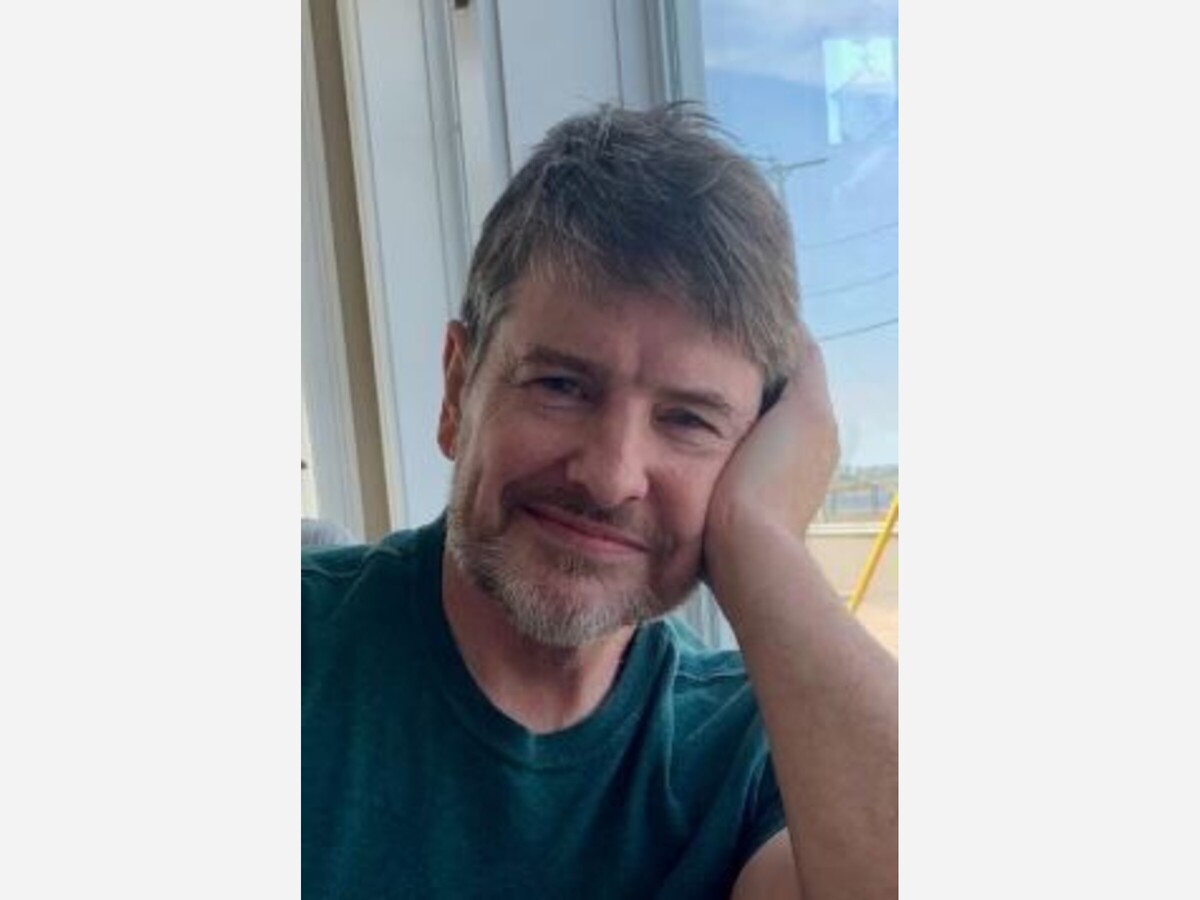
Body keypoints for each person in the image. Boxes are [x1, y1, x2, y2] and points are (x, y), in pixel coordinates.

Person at [303, 103, 897, 899]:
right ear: (457, 389)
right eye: (560, 385)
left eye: (688, 420)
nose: (611, 476)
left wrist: (763, 544)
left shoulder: (762, 749)